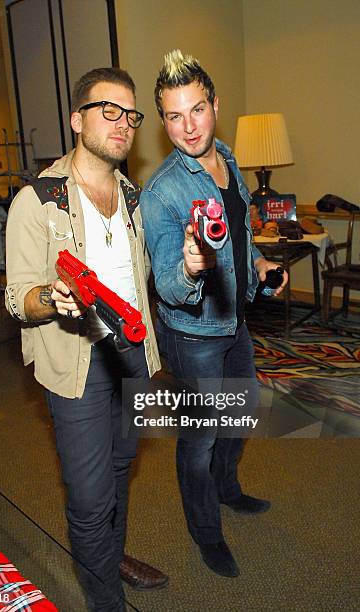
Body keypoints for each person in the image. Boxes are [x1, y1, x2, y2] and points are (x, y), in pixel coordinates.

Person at [5, 67, 168, 611]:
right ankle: (105, 602)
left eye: (132, 114)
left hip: (132, 356)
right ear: (77, 119)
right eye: (109, 110)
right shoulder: (38, 199)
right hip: (76, 361)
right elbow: (17, 297)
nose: (124, 124)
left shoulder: (133, 197)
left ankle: (111, 557)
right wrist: (51, 297)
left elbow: (147, 283)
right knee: (92, 496)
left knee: (123, 466)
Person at [140, 50, 288, 578]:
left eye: (197, 110)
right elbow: (170, 286)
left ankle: (228, 492)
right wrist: (190, 265)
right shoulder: (161, 193)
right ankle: (206, 534)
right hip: (194, 335)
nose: (188, 127)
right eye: (175, 116)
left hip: (235, 323)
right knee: (199, 440)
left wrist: (262, 267)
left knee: (239, 417)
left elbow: (241, 240)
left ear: (215, 106)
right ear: (162, 121)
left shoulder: (228, 160)